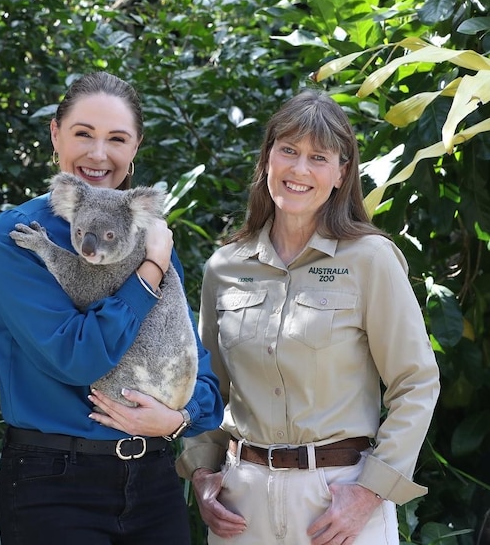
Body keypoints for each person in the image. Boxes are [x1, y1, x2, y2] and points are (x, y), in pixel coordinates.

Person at [177, 90, 440, 545]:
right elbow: (206, 386)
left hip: (339, 503)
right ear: (267, 159)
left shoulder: (370, 259)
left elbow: (416, 382)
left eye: (319, 157)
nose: (300, 170)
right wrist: (202, 472)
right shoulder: (225, 267)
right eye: (289, 151)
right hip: (243, 504)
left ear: (341, 173)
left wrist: (369, 492)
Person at [0, 71, 224, 545]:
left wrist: (180, 417)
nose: (99, 154)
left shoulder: (149, 233)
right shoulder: (18, 237)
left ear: (135, 147)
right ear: (55, 135)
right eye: (83, 134)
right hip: (55, 480)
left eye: (117, 139)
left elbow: (202, 376)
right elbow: (79, 359)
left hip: (153, 475)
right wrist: (151, 269)